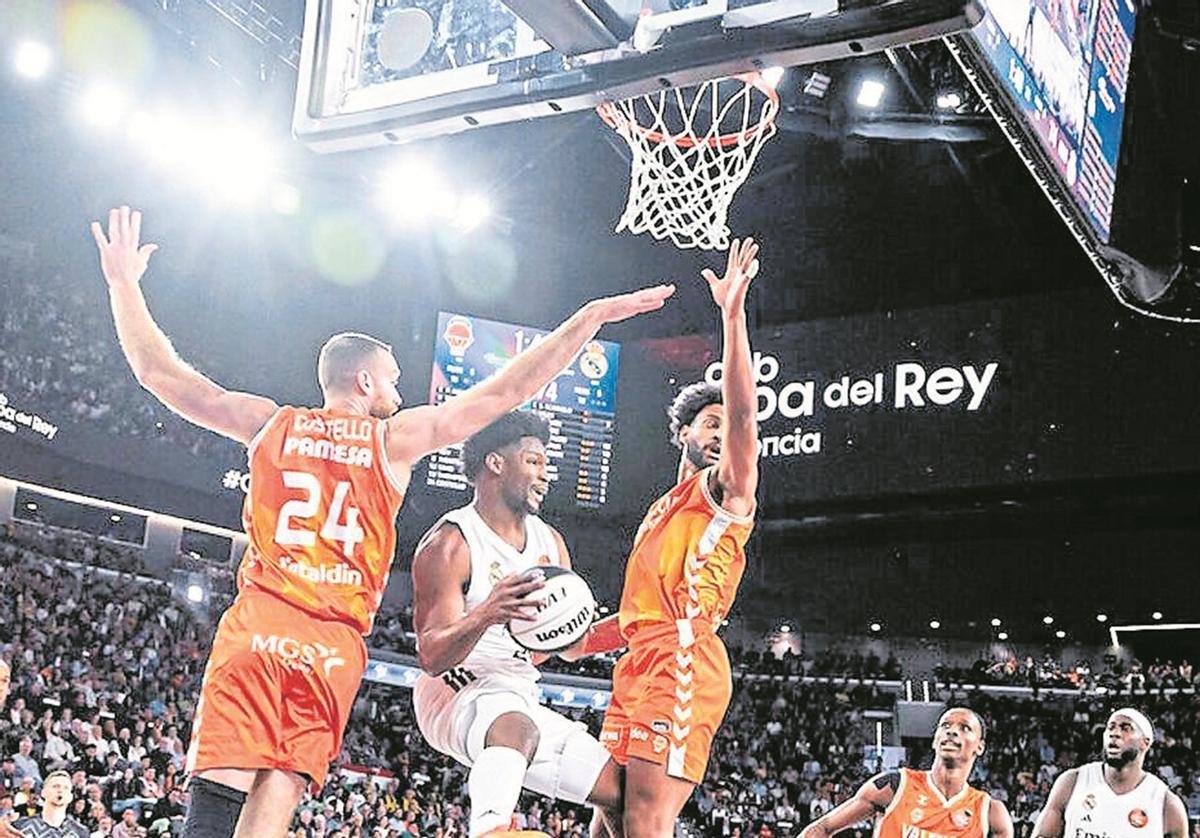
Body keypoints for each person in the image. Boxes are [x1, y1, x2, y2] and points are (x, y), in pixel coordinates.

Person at [88, 205, 674, 838]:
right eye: (393, 380)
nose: (398, 391)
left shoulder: (270, 424)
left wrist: (124, 284)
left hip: (262, 621)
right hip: (332, 641)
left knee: (221, 790)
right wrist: (587, 321)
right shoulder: (391, 441)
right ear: (364, 381)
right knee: (278, 790)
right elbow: (505, 392)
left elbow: (160, 374)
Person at [561, 238, 762, 838]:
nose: (723, 434)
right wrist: (567, 643)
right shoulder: (659, 511)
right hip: (639, 660)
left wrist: (732, 316)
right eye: (709, 423)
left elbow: (745, 416)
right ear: (682, 433)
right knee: (609, 818)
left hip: (683, 660)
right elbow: (631, 616)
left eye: (727, 424)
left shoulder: (728, 494)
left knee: (646, 818)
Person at [410, 412, 621, 838]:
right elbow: (431, 656)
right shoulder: (451, 542)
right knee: (512, 721)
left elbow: (571, 646)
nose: (545, 476)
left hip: (516, 694)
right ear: (495, 463)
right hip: (454, 689)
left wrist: (642, 623)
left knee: (624, 793)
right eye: (534, 462)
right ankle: (490, 830)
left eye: (545, 465)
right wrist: (487, 612)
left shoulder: (550, 543)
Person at [801, 707, 1013, 838]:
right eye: (945, 725)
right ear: (935, 739)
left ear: (980, 746)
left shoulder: (990, 812)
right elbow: (823, 828)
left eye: (965, 727)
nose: (952, 731)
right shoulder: (894, 785)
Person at [1031, 708, 1188, 838]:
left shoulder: (1166, 803)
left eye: (1125, 728)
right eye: (1111, 727)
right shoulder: (1072, 782)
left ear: (1145, 743)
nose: (1115, 733)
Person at [7, 770, 89, 837]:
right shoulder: (21, 825)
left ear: (70, 797)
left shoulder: (80, 832)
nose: (60, 790)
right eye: (55, 786)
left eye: (66, 788)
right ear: (43, 792)